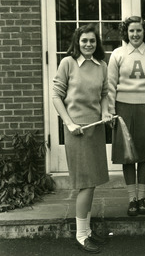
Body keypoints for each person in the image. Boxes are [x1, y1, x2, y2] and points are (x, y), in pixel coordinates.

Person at [53, 24, 113, 254]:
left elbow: (105, 94)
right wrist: (69, 123)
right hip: (76, 130)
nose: (88, 44)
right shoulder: (67, 63)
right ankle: (80, 235)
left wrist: (106, 112)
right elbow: (56, 96)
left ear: (97, 44)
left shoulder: (102, 66)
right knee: (85, 184)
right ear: (77, 42)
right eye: (84, 40)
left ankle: (87, 230)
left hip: (95, 129)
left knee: (92, 182)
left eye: (92, 41)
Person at [108, 16, 145, 217]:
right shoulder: (118, 54)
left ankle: (142, 198)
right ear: (126, 32)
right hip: (123, 108)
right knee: (127, 156)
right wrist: (110, 112)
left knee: (144, 154)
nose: (135, 34)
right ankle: (131, 199)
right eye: (131, 31)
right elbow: (110, 85)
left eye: (139, 31)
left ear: (144, 32)